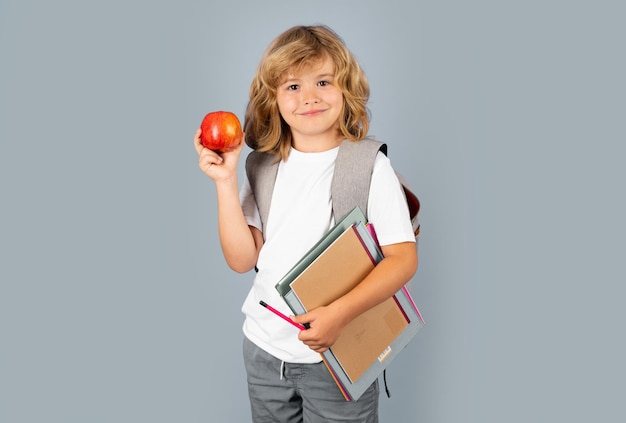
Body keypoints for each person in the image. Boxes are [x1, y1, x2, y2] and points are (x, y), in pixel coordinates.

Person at [194, 25, 417, 423]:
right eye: (292, 86)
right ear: (273, 100)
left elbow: (402, 258)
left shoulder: (370, 166)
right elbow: (243, 259)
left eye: (323, 82)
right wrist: (224, 182)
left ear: (346, 90)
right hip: (265, 351)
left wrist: (340, 313)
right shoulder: (261, 165)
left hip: (338, 353)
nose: (309, 96)